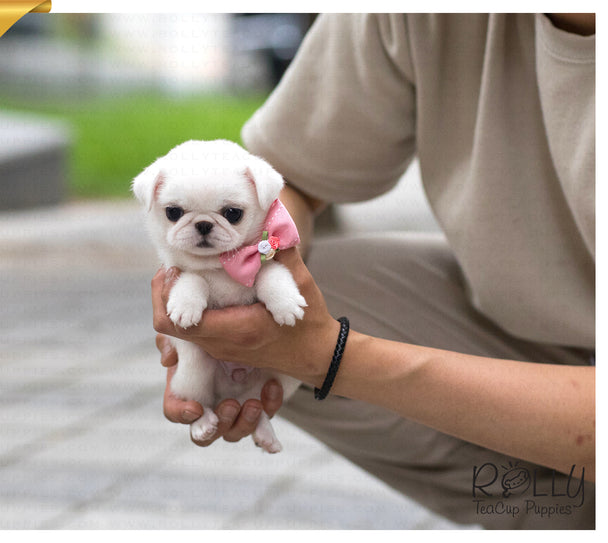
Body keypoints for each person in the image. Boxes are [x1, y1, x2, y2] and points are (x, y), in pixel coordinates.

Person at [150, 14, 595, 529]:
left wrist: (333, 356)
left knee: (289, 321)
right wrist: (243, 274)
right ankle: (562, 514)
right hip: (535, 330)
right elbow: (287, 179)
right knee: (289, 303)